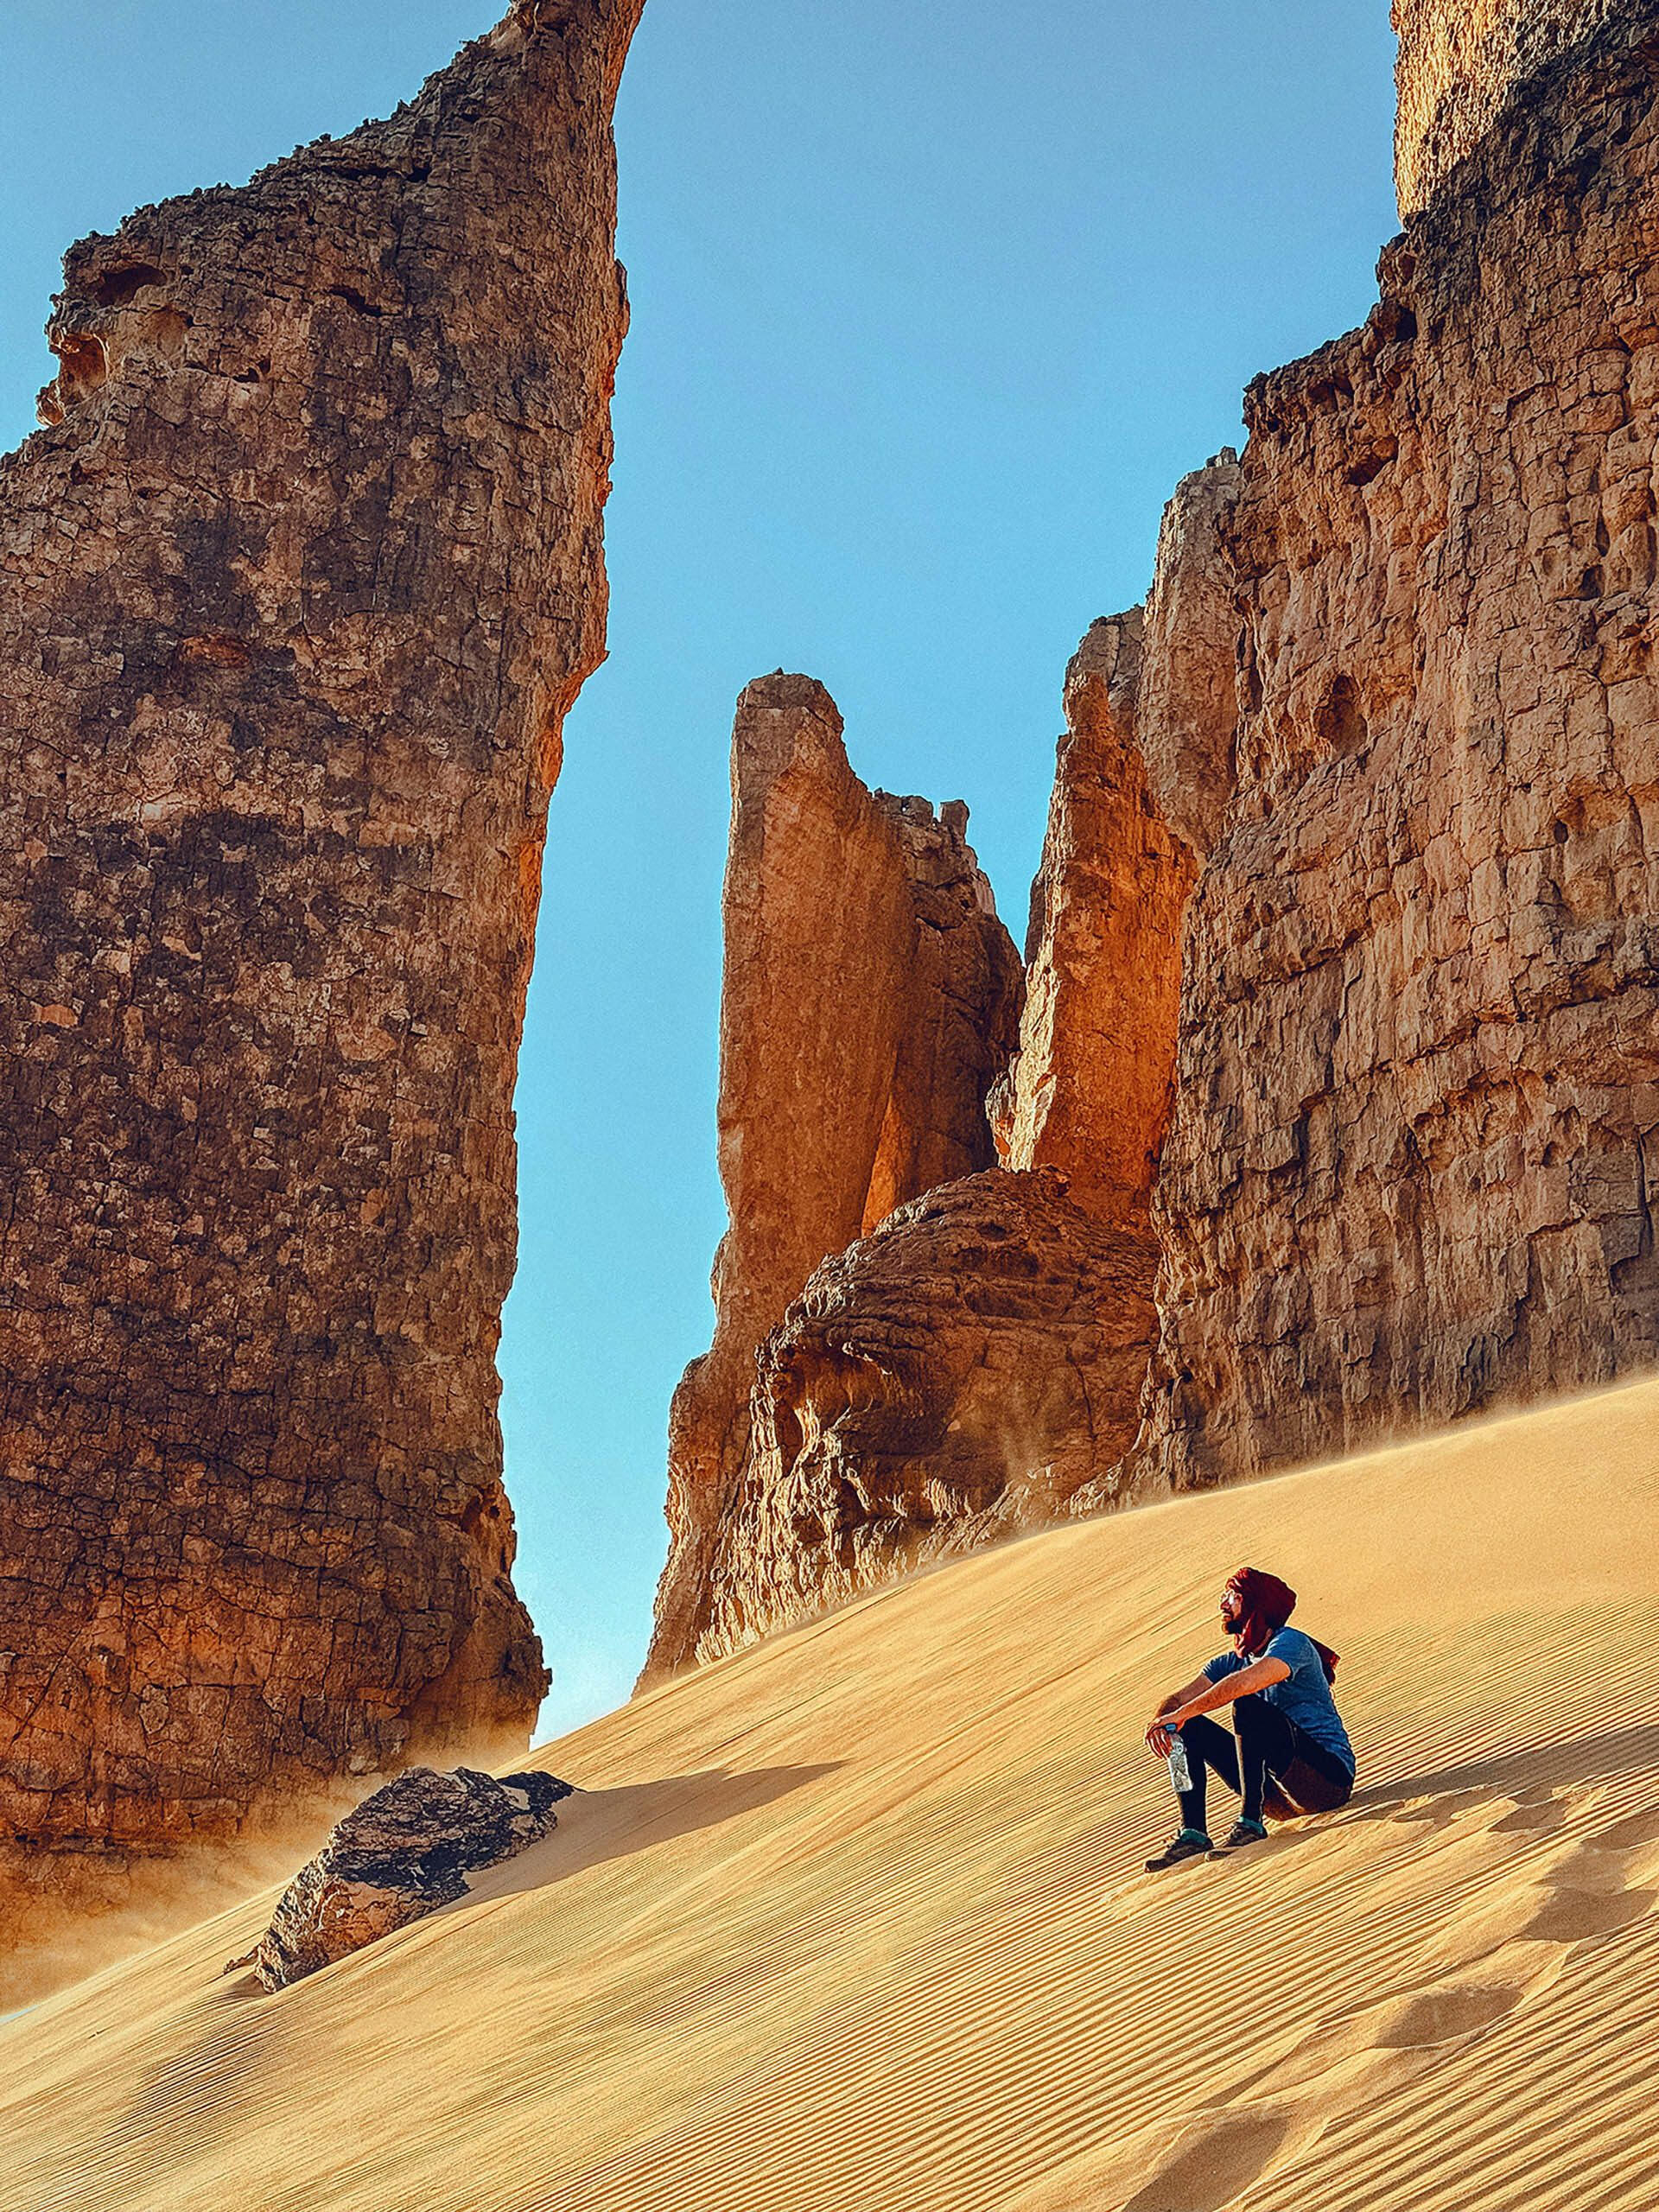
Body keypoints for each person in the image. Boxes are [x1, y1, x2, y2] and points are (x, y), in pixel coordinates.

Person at [1141, 1566, 1355, 1870]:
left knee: (1246, 1706)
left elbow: (1246, 1683)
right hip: (1278, 1797)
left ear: (1256, 1604)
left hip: (1326, 1783)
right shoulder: (1233, 1660)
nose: (1223, 1604)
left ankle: (1250, 1823)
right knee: (1184, 1729)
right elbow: (1178, 1700)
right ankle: (1193, 1833)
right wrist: (1164, 1722)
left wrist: (1182, 1713)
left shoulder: (1291, 1644)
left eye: (1233, 1596)